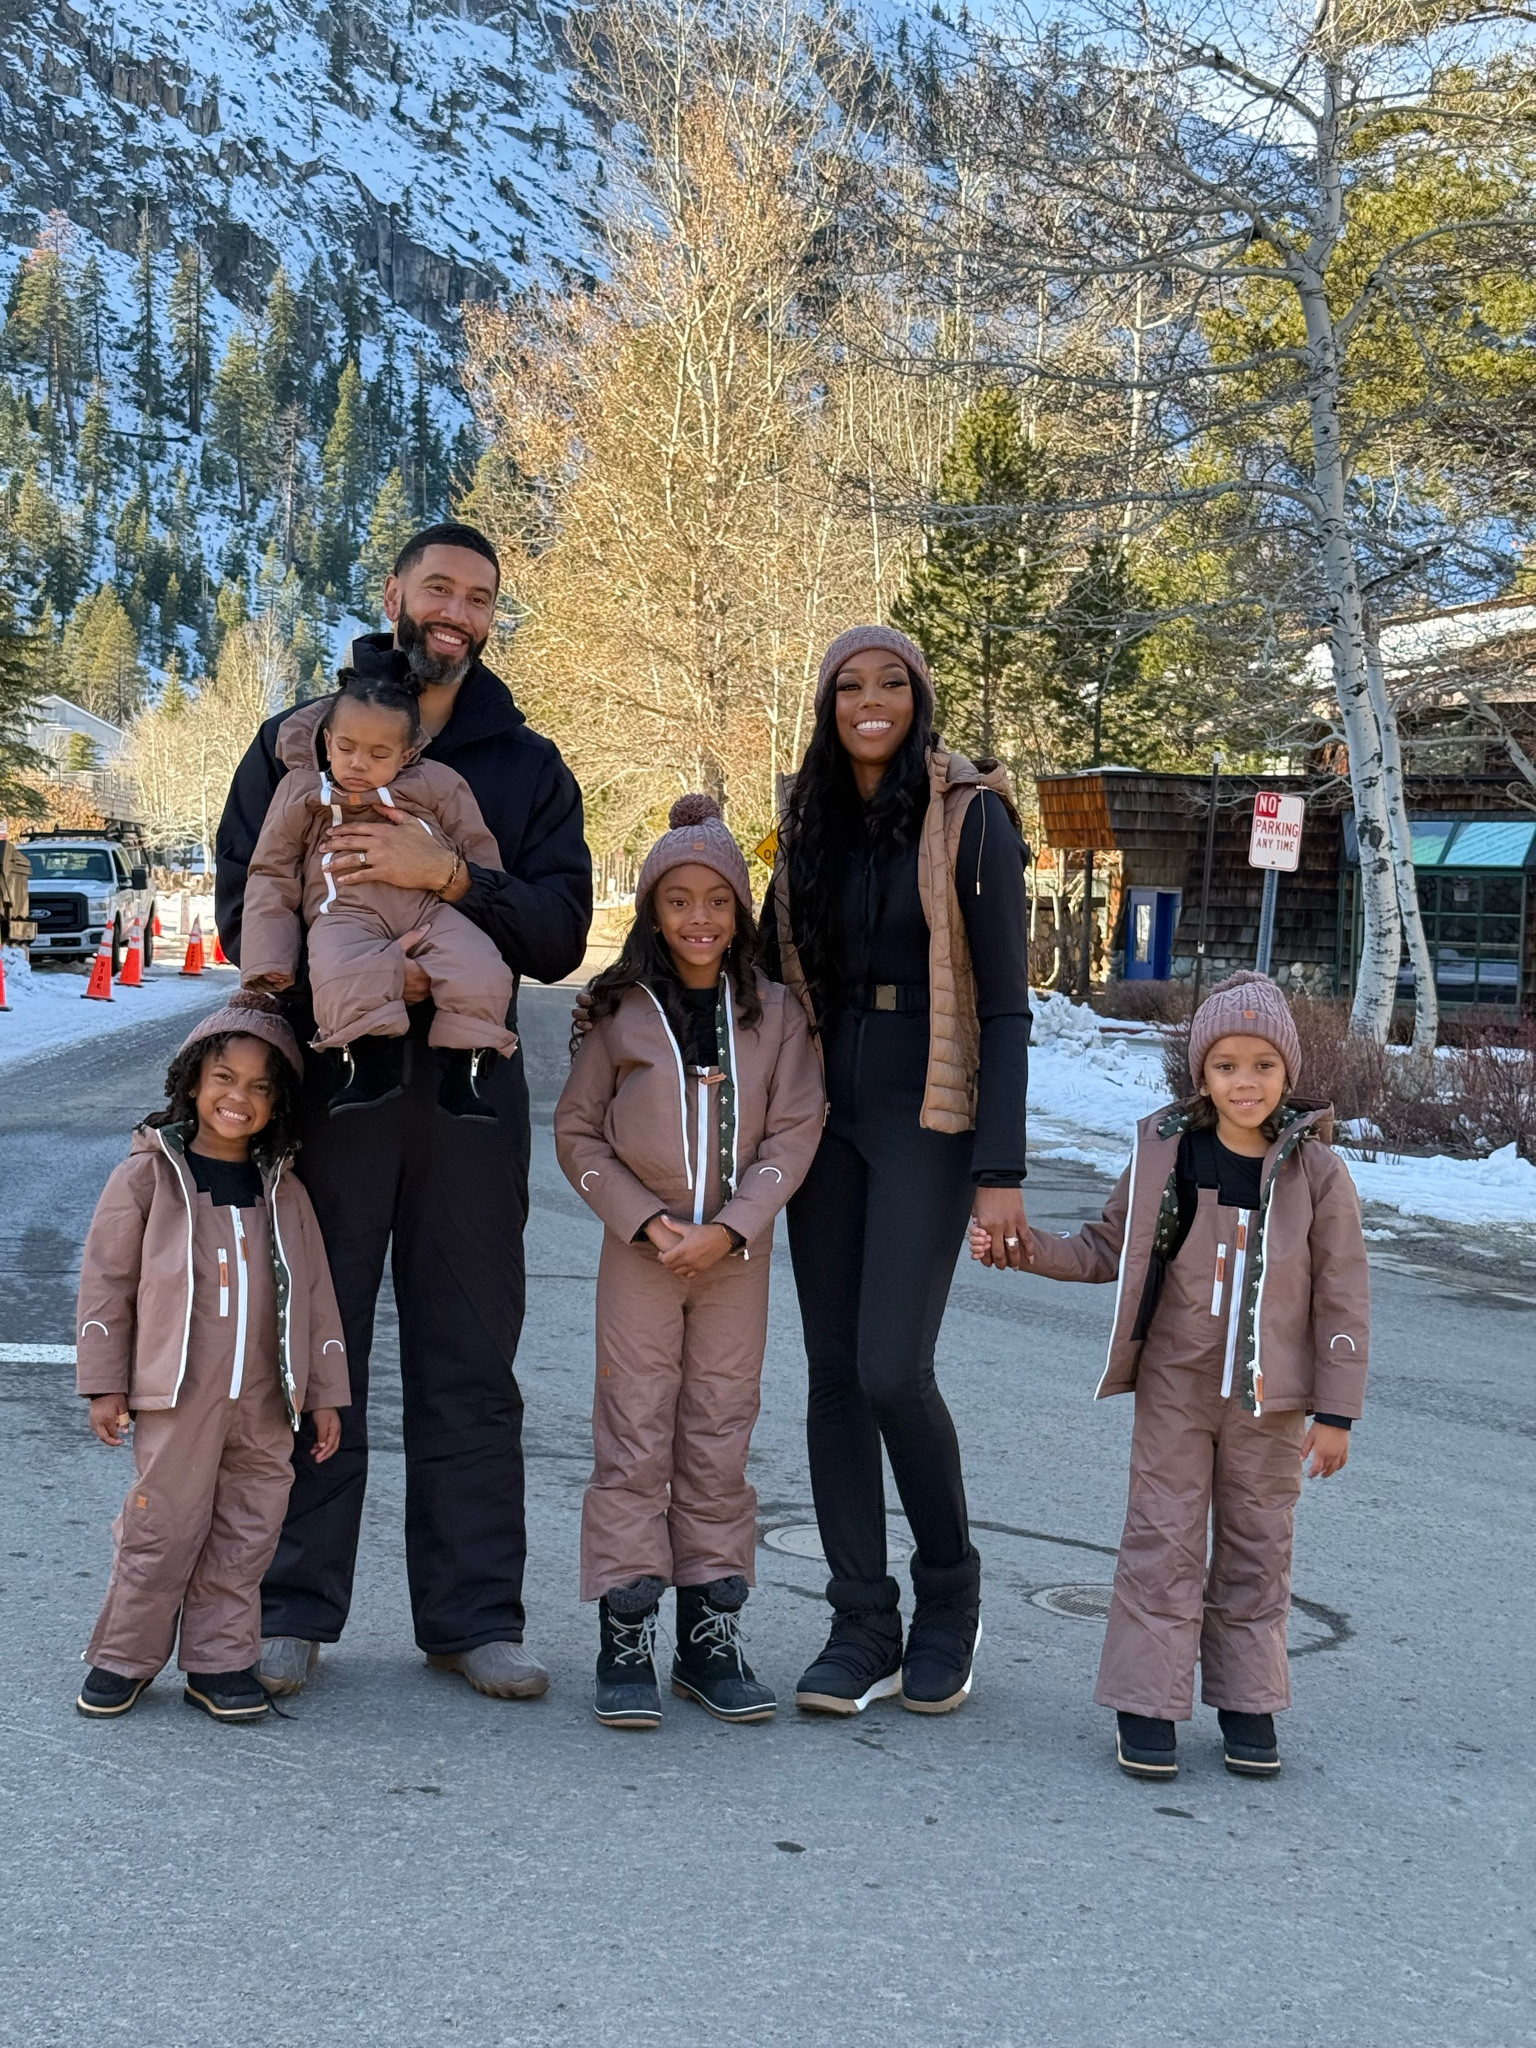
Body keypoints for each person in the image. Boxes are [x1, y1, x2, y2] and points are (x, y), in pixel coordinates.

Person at [216, 522, 592, 1701]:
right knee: (312, 1347)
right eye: (438, 587)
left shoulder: (526, 766)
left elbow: (559, 930)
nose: (457, 610)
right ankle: (289, 1605)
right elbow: (249, 903)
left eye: (479, 597)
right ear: (394, 594)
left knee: (471, 1352)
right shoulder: (295, 749)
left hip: (469, 1101)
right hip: (337, 1086)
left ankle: (473, 1615)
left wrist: (449, 881)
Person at [975, 970, 1369, 1779]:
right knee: (1161, 1541)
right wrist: (1022, 1250)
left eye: (1262, 1065)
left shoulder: (1317, 1175)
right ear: (1202, 1074)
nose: (1245, 1082)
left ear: (1288, 1072)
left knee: (1259, 1546)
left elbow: (1343, 1299)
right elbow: (1105, 1251)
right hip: (1175, 1391)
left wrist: (1338, 1414)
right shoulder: (1168, 1154)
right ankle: (1146, 1704)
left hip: (1273, 1404)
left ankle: (1247, 1700)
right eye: (1225, 1065)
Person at [763, 624, 1032, 1717]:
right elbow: (773, 965)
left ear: (919, 697)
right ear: (827, 705)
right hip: (824, 1106)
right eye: (846, 686)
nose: (868, 701)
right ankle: (860, 1619)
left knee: (890, 1368)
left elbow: (1008, 1004)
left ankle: (950, 1600)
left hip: (929, 1107)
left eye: (890, 684)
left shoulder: (973, 817)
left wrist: (1001, 1166)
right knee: (830, 1372)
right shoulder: (807, 817)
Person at [555, 796, 825, 1730]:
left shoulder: (779, 1013)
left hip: (735, 1257)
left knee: (719, 1427)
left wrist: (736, 1224)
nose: (700, 919)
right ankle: (625, 1628)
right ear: (653, 911)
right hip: (643, 1254)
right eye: (679, 901)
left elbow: (796, 1128)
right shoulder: (620, 1011)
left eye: (718, 899)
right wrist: (641, 1220)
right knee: (634, 1426)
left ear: (742, 910)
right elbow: (578, 1130)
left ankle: (710, 1635)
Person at [73, 992, 348, 1723]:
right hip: (177, 1396)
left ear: (278, 1104)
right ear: (193, 1080)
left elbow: (316, 1295)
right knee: (161, 1530)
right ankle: (125, 1656)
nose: (239, 1098)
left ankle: (221, 1662)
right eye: (224, 1078)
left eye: (260, 1088)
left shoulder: (283, 1191)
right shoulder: (148, 1177)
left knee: (248, 1533)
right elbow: (107, 1282)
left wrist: (323, 1391)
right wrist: (105, 1382)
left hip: (264, 1402)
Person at [240, 659, 518, 1118]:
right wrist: (269, 959)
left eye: (378, 754)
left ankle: (465, 1069)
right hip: (346, 909)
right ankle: (366, 1065)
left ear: (407, 755)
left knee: (480, 965)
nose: (358, 764)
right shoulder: (301, 792)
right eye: (346, 747)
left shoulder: (438, 784)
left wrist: (485, 907)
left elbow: (476, 846)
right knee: (340, 967)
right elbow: (271, 871)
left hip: (429, 910)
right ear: (328, 740)